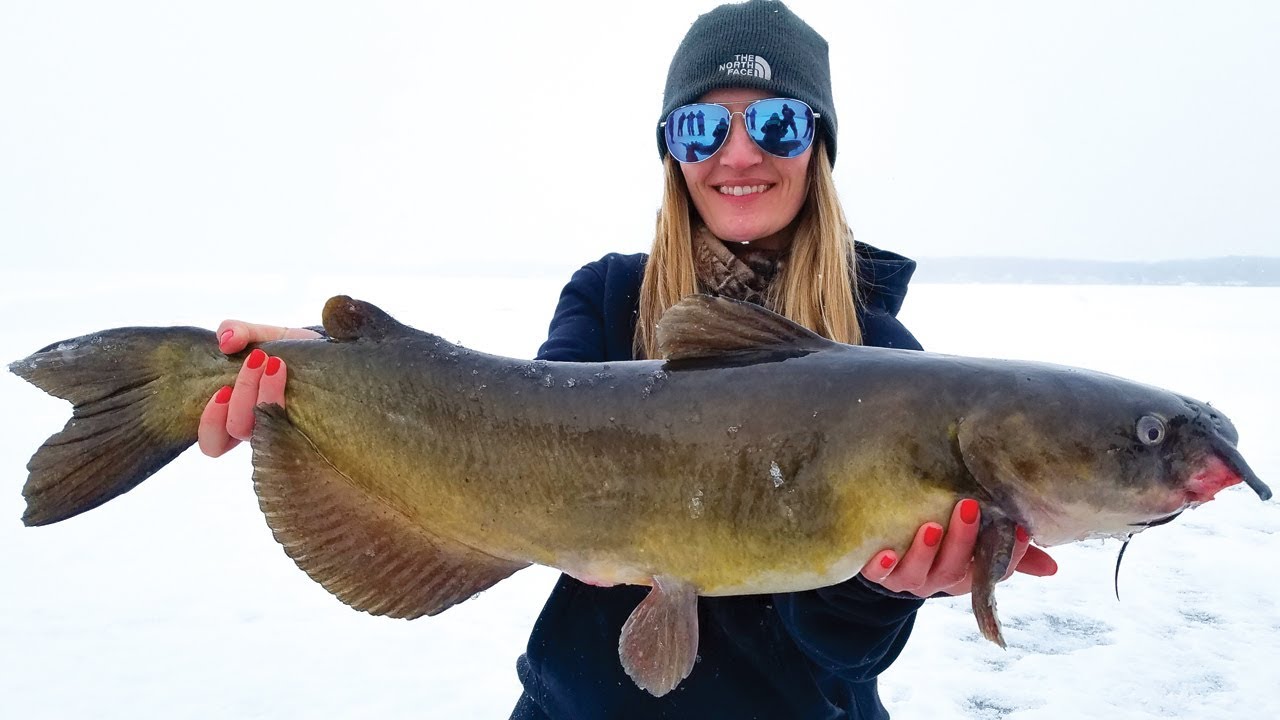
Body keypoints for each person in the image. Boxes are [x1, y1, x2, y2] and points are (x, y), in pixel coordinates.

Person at [197, 1, 1057, 717]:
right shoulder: (608, 298)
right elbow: (510, 427)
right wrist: (334, 377)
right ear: (673, 153)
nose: (740, 154)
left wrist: (881, 589)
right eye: (700, 127)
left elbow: (838, 653)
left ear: (817, 145)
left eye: (776, 120)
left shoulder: (888, 363)